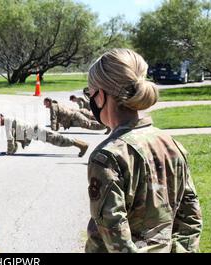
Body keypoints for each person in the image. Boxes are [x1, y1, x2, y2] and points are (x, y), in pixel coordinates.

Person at [85, 48, 202, 253]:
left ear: (101, 96)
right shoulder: (170, 143)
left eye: (90, 93)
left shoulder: (108, 157)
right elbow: (191, 218)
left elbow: (116, 239)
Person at [0, 113, 89, 157]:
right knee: (58, 139)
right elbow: (13, 138)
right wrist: (12, 151)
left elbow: (10, 138)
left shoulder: (7, 121)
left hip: (37, 131)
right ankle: (80, 144)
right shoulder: (9, 120)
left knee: (59, 140)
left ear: (0, 118)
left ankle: (82, 145)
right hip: (36, 132)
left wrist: (9, 152)